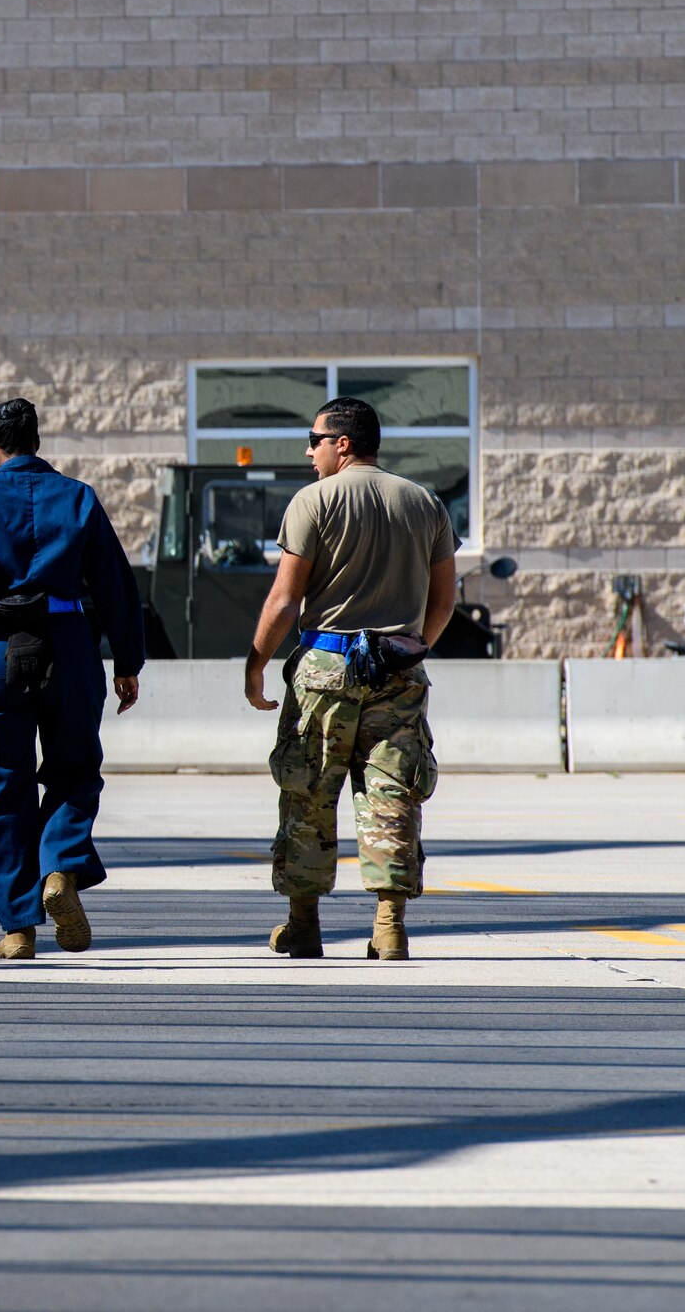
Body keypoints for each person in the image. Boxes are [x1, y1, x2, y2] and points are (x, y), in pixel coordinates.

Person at [0, 398, 145, 959]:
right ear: (37, 441)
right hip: (70, 645)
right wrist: (128, 662)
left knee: (0, 786)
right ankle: (60, 869)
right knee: (73, 770)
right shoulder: (79, 496)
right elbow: (116, 585)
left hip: (0, 645)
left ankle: (18, 928)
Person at [245, 396, 456, 961]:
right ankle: (389, 926)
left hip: (326, 669)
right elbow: (444, 601)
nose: (309, 451)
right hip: (398, 669)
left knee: (308, 794)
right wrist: (413, 649)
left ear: (342, 443)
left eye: (314, 440)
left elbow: (286, 599)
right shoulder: (425, 502)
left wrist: (256, 663)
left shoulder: (313, 501)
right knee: (393, 795)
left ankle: (303, 925)